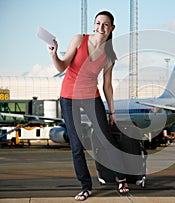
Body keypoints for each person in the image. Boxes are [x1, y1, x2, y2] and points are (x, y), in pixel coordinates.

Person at [48, 11, 129, 201]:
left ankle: (121, 178)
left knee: (106, 139)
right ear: (93, 25)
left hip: (91, 97)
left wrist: (112, 111)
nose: (101, 27)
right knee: (77, 145)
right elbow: (62, 67)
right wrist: (54, 55)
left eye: (105, 24)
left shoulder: (110, 55)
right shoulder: (78, 40)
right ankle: (85, 187)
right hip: (69, 97)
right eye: (98, 23)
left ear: (112, 28)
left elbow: (107, 85)